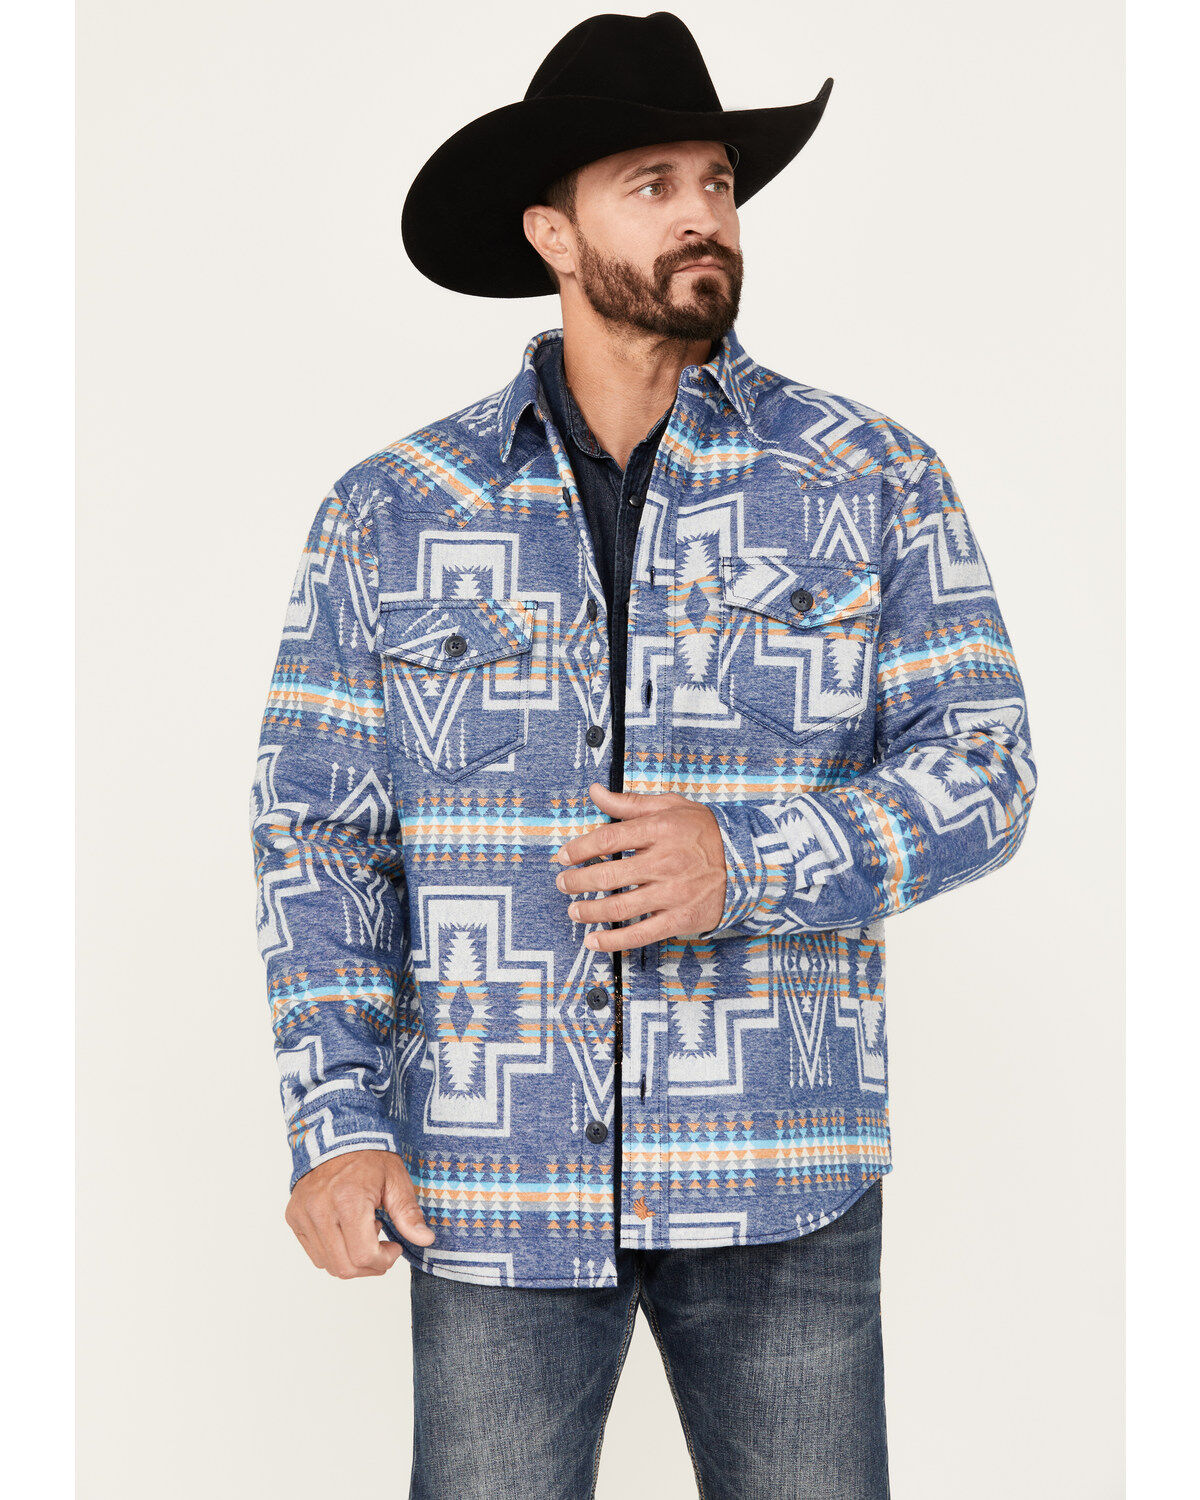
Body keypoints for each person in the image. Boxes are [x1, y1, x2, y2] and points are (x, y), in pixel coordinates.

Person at [249, 12, 1038, 1498]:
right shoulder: (394, 510)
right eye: (653, 184)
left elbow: (987, 764)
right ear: (552, 233)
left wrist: (752, 860)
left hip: (780, 1173)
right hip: (495, 1183)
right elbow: (319, 832)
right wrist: (336, 1120)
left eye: (719, 183)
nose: (703, 216)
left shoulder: (868, 477)